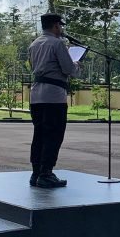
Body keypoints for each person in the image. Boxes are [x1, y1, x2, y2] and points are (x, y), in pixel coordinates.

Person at [28, 12, 78, 188]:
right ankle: (46, 172)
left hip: (36, 95)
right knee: (54, 134)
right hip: (54, 95)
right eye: (60, 26)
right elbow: (68, 69)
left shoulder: (34, 44)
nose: (61, 29)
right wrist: (76, 65)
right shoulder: (57, 43)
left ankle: (36, 172)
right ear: (56, 26)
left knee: (39, 134)